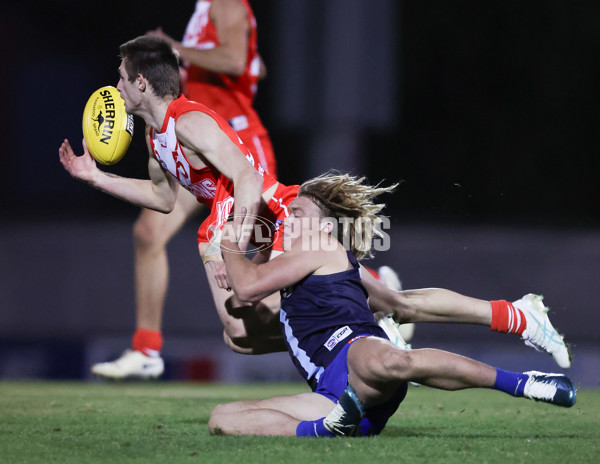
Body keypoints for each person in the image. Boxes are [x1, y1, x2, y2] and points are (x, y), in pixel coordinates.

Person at [60, 36, 570, 380]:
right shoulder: (155, 139)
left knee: (392, 305)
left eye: (121, 76)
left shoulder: (189, 119)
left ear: (142, 82)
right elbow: (163, 199)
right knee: (238, 334)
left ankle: (517, 317)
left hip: (274, 214)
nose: (117, 84)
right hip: (236, 225)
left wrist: (233, 238)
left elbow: (245, 175)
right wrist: (95, 176)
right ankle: (370, 328)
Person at [208, 173, 576, 437]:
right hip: (335, 396)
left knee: (386, 358)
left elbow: (250, 288)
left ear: (323, 227)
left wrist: (229, 247)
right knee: (222, 418)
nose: (288, 218)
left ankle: (523, 383)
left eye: (298, 213)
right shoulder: (301, 265)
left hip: (355, 360)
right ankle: (323, 429)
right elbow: (244, 299)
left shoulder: (317, 245)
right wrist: (242, 273)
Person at [90, 0, 279, 379]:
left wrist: (174, 48)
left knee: (269, 271)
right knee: (149, 232)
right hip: (193, 152)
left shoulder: (226, 3)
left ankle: (369, 292)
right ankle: (146, 348)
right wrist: (95, 176)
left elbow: (234, 59)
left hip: (232, 146)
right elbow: (250, 64)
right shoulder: (206, 9)